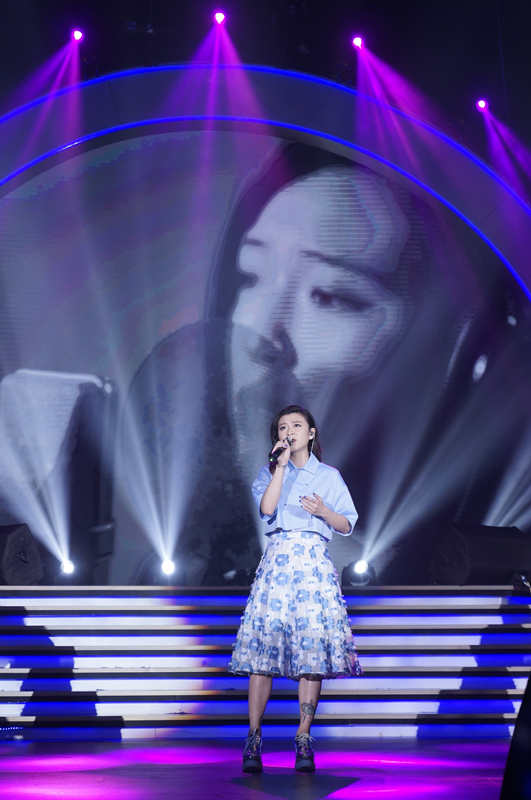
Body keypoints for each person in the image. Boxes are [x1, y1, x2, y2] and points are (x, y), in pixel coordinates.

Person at [228, 404, 362, 773]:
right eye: (283, 427)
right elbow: (266, 509)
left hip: (313, 564)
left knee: (311, 654)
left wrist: (323, 511)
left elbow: (346, 524)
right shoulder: (271, 472)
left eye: (297, 425)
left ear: (312, 433)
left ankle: (303, 736)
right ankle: (254, 736)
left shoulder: (329, 476)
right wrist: (281, 468)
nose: (289, 431)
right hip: (279, 561)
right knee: (263, 652)